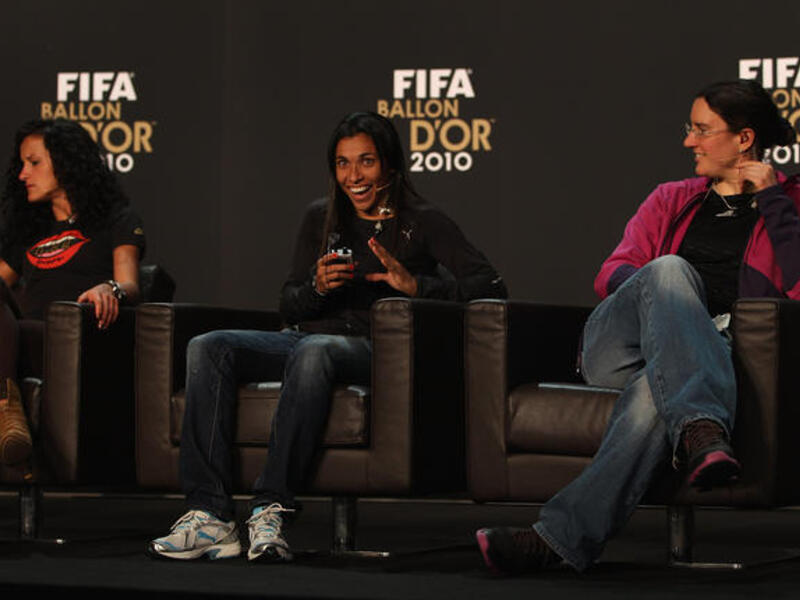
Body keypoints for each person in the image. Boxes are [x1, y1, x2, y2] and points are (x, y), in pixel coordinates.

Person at [149, 111, 508, 562]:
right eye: (342, 163)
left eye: (366, 162)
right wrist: (316, 288)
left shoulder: (423, 220)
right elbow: (289, 305)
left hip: (376, 349)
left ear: (389, 164)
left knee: (316, 352)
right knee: (209, 346)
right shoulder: (320, 217)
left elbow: (490, 287)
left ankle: (271, 507)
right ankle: (210, 517)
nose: (353, 176)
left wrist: (418, 286)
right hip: (308, 337)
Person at [476, 79, 800, 574]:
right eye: (690, 128)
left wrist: (774, 201)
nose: (689, 141)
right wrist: (664, 302)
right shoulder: (672, 198)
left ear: (744, 139)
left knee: (655, 391)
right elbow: (612, 272)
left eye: (702, 130)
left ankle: (555, 540)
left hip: (710, 353)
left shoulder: (790, 203)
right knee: (668, 269)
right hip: (622, 346)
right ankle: (702, 426)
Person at [0, 118, 145, 465]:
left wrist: (109, 288)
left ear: (66, 164)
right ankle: (6, 408)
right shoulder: (29, 228)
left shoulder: (115, 219)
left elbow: (130, 283)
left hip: (69, 339)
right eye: (22, 164)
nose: (23, 174)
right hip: (18, 339)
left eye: (34, 163)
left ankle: (6, 407)